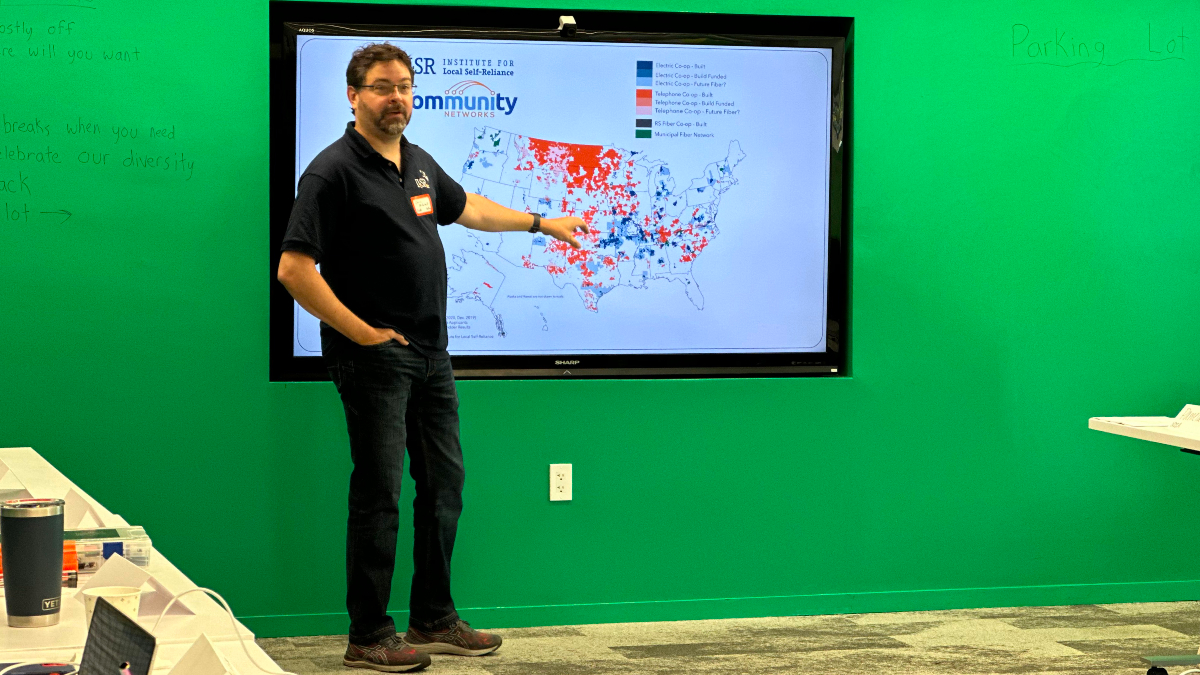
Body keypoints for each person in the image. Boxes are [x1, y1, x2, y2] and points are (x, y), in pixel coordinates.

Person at [277, 43, 587, 673]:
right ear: (354, 96)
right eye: (382, 87)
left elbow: (468, 208)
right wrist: (361, 333)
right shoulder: (331, 171)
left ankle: (433, 617)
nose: (397, 97)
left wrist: (540, 222)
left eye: (405, 86)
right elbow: (294, 270)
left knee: (444, 487)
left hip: (431, 357)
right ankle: (368, 635)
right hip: (375, 361)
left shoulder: (417, 163)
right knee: (380, 496)